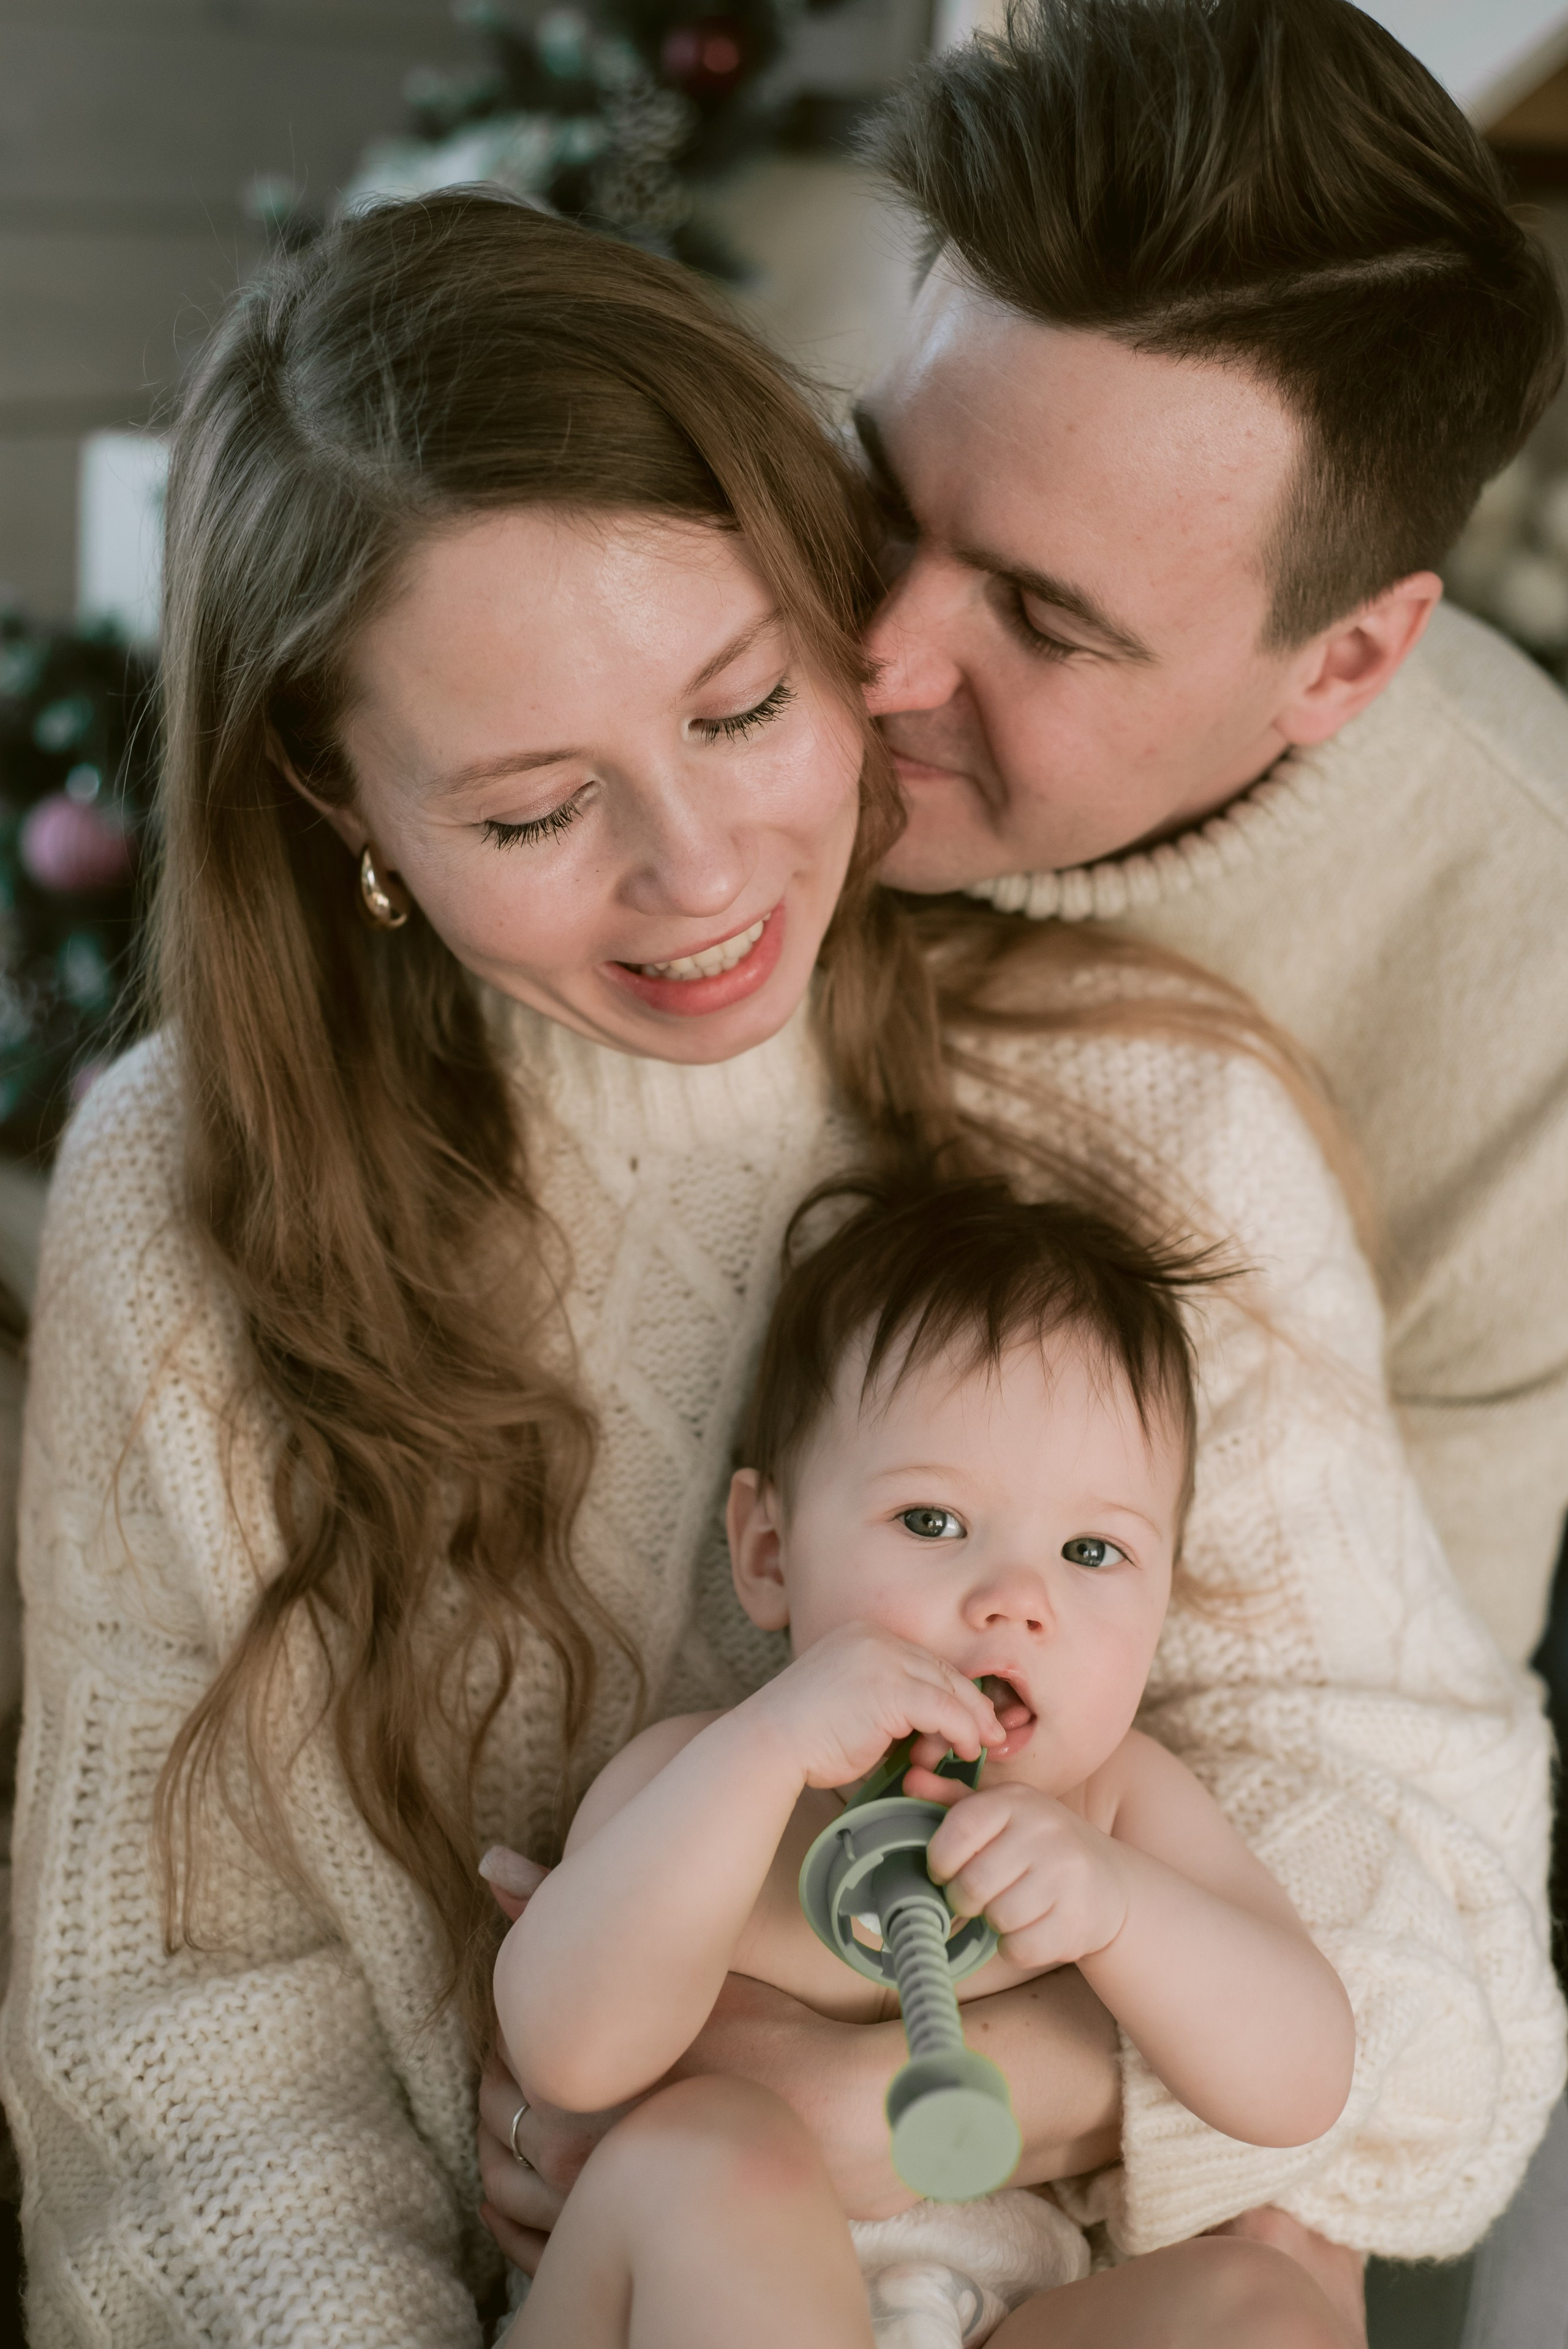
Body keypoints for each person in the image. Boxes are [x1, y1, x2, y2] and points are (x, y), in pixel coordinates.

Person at [1, 192, 1558, 2349]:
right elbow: (176, 2035)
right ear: (335, 791)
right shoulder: (187, 1202)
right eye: (532, 810)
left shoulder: (1137, 1108)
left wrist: (942, 2097)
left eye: (742, 709)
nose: (702, 872)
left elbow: (1435, 1944)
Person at [851, 0, 1568, 1671]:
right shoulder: (676, 604)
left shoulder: (1531, 976)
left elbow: (1410, 1693)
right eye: (876, 496)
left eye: (1042, 616)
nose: (875, 658)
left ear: (1345, 662)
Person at [494, 1176, 1359, 2349]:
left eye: (1092, 1551)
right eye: (933, 1524)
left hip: (998, 2321)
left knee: (1259, 2310)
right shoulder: (699, 1776)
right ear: (770, 1553)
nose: (1016, 1600)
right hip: (691, 2300)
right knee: (716, 2158)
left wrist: (1121, 1909)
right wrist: (767, 1749)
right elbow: (567, 2053)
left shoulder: (1117, 1806)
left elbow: (1303, 2082)